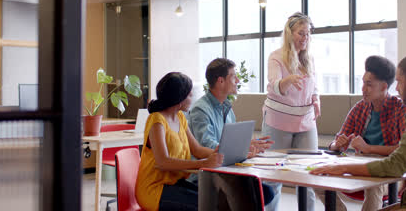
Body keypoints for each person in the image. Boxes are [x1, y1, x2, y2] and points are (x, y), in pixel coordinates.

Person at [311, 50, 406, 211]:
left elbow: (397, 164)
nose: (396, 88)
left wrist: (346, 166)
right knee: (320, 177)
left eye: (399, 82)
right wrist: (337, 146)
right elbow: (339, 139)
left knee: (373, 186)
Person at [315, 55, 406, 211]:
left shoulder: (400, 108)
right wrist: (337, 145)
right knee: (317, 175)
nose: (363, 89)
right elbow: (335, 143)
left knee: (373, 186)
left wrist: (369, 148)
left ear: (384, 86)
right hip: (359, 167)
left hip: (392, 171)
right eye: (363, 83)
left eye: (369, 84)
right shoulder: (360, 108)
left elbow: (404, 149)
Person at [188, 58, 277, 209]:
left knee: (266, 191)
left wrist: (246, 145)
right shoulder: (200, 110)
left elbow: (230, 141)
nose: (238, 80)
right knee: (257, 193)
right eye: (233, 76)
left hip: (227, 169)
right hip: (206, 175)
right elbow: (207, 146)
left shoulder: (226, 107)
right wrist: (242, 149)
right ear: (221, 81)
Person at [135, 72, 224, 211]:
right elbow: (163, 162)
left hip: (175, 183)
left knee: (217, 201)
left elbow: (197, 150)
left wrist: (222, 153)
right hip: (154, 190)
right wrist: (203, 163)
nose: (192, 97)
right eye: (189, 95)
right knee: (208, 205)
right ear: (179, 98)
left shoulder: (180, 117)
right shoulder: (157, 120)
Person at [261, 12, 320, 210]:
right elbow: (274, 85)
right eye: (301, 33)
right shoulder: (276, 57)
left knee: (307, 176)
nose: (305, 38)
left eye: (308, 34)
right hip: (278, 121)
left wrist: (316, 100)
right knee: (273, 176)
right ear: (289, 33)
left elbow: (314, 86)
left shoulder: (309, 58)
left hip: (306, 121)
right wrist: (287, 81)